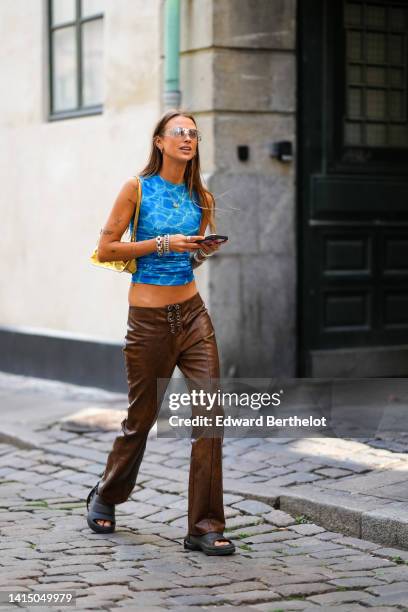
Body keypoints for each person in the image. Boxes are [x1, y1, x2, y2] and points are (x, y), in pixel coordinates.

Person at [86, 109, 235, 556]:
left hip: (192, 316)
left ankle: (204, 527)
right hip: (149, 324)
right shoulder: (137, 188)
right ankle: (107, 494)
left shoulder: (202, 197)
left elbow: (188, 259)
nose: (188, 138)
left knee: (211, 416)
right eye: (179, 132)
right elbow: (106, 248)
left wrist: (200, 251)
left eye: (193, 133)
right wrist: (163, 243)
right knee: (141, 419)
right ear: (160, 141)